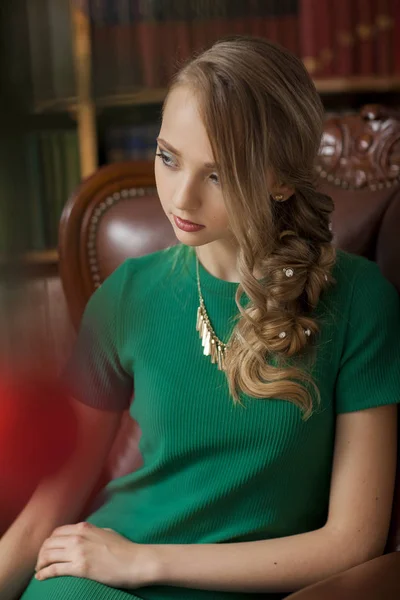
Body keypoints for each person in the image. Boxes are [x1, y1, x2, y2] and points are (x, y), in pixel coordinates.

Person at [1, 36, 400, 600]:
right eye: (168, 157)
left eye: (217, 175)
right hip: (100, 584)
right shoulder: (128, 294)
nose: (181, 198)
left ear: (282, 179)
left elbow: (351, 542)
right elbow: (50, 504)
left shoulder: (360, 302)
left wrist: (144, 562)